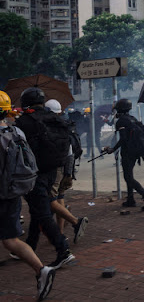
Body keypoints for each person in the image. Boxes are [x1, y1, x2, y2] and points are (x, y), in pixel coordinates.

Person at [0, 91, 56, 300]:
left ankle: (42, 270)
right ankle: (42, 270)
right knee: (10, 239)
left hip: (1, 194)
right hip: (14, 192)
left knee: (9, 239)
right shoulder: (16, 132)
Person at [15, 88, 74, 270]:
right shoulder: (54, 119)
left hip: (35, 174)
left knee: (43, 213)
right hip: (53, 171)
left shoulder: (24, 122)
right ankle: (30, 245)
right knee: (37, 209)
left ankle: (63, 250)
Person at [43, 99, 89, 243]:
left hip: (58, 169)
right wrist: (69, 173)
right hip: (67, 168)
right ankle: (60, 233)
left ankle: (75, 221)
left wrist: (66, 173)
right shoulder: (66, 125)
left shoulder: (54, 127)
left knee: (51, 200)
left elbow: (67, 152)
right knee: (59, 198)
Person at [104, 99, 144, 208]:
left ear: (120, 110)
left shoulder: (121, 121)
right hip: (135, 151)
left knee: (128, 177)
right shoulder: (132, 119)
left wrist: (113, 149)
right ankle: (131, 199)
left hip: (128, 152)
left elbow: (123, 138)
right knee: (129, 175)